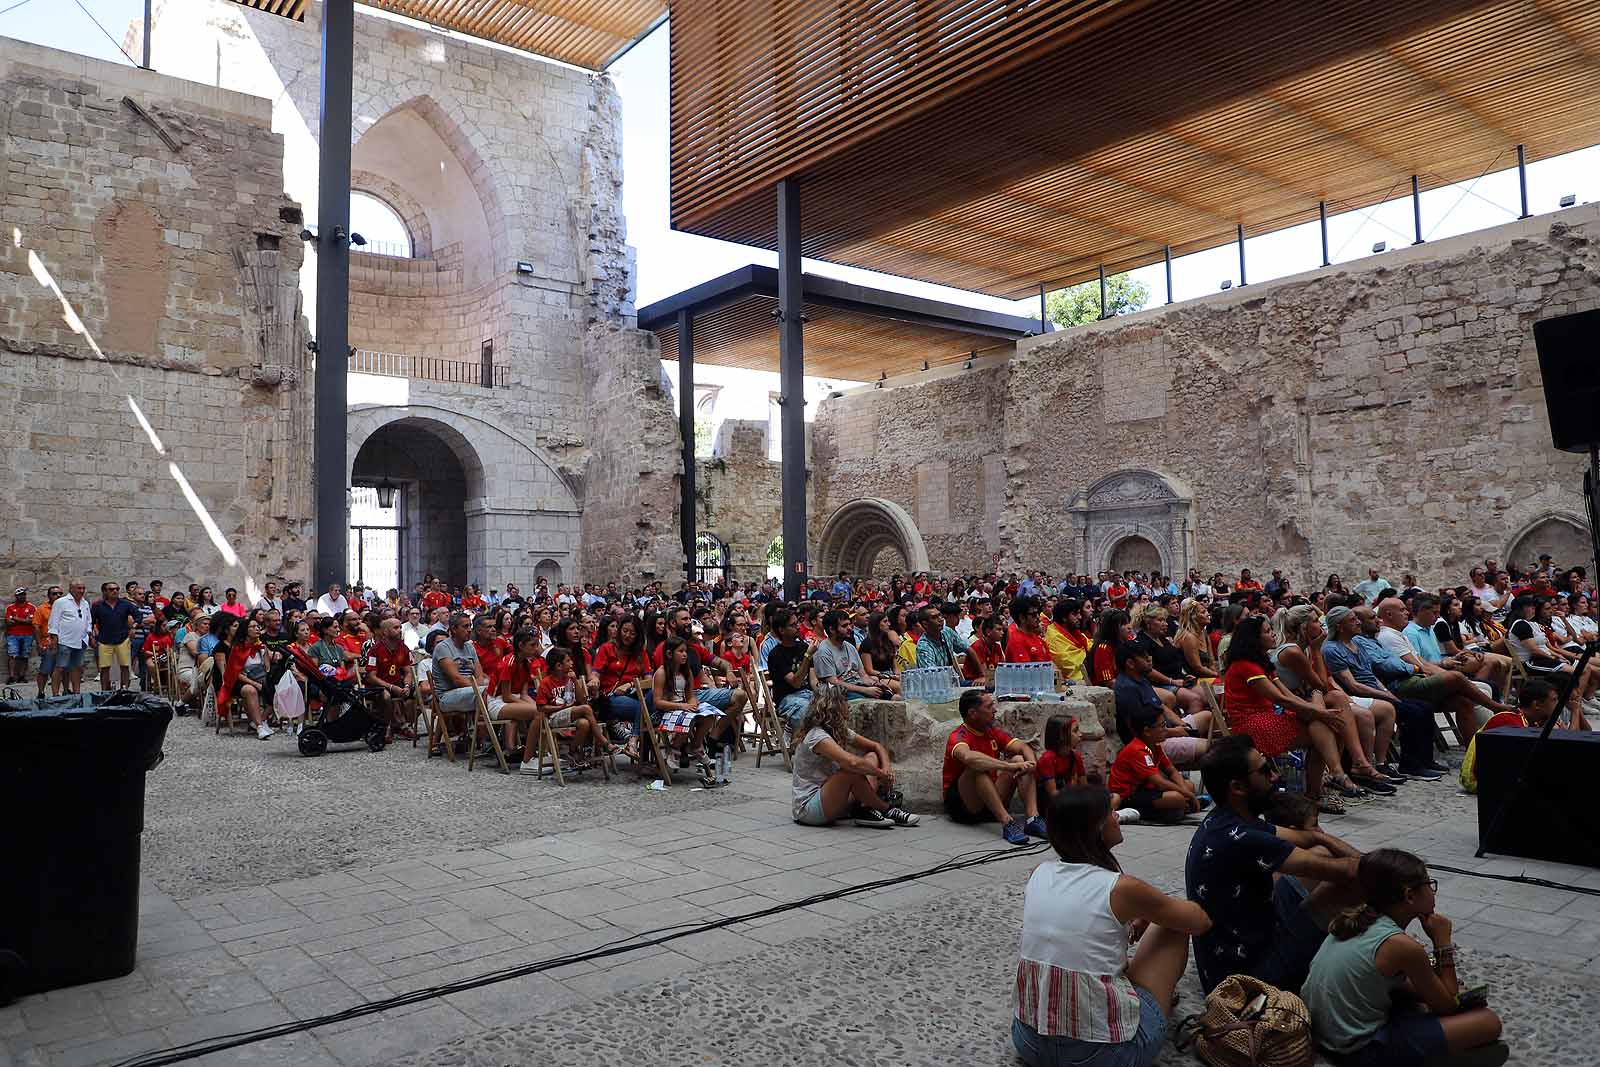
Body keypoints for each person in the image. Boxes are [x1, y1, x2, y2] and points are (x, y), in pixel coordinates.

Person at [1012, 786, 1212, 1067]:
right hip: (1101, 1056)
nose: (1117, 817)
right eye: (1111, 813)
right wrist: (1156, 910)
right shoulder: (1121, 888)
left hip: (1029, 1042)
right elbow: (1199, 922)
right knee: (1174, 925)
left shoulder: (1038, 873)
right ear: (1097, 828)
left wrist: (1144, 911)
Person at [1186, 735, 1364, 994]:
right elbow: (1355, 870)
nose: (1275, 776)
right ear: (1238, 787)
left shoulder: (1225, 819)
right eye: (1264, 770)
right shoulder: (1244, 837)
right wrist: (1404, 876)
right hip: (1250, 977)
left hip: (1247, 941)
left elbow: (1307, 839)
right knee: (1353, 883)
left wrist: (1320, 837)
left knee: (1319, 853)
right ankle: (1383, 958)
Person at [1302, 849, 1506, 1067]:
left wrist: (1432, 971)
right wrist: (1442, 942)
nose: (1433, 892)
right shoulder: (1401, 945)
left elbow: (1408, 977)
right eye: (1429, 885)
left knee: (1418, 995)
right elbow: (1448, 1004)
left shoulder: (1356, 920)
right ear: (1409, 896)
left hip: (1324, 1037)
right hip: (1357, 1049)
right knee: (1488, 1022)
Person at [1222, 612, 1355, 813]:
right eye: (1267, 631)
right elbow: (1280, 699)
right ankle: (1323, 785)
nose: (1273, 634)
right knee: (1321, 728)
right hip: (1252, 724)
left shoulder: (1261, 663)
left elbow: (1288, 696)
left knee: (1325, 726)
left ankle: (1328, 781)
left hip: (1267, 717)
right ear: (1254, 639)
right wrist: (1319, 712)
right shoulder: (1245, 665)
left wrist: (1317, 712)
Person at [790, 683, 919, 828]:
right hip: (809, 809)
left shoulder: (839, 730)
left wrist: (887, 767)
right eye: (845, 701)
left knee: (872, 757)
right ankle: (888, 810)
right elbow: (851, 763)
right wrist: (880, 774)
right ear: (834, 706)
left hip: (834, 797)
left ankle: (864, 809)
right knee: (850, 770)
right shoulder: (817, 736)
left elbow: (876, 746)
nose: (848, 705)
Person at [431, 612, 543, 760]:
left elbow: (479, 674)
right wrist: (484, 685)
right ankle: (488, 738)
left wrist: (485, 683)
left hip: (472, 691)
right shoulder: (443, 648)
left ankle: (506, 745)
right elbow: (457, 679)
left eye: (470, 626)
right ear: (453, 629)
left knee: (498, 692)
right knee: (490, 692)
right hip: (448, 695)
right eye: (465, 626)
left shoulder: (469, 647)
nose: (469, 630)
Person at [941, 689, 1043, 845]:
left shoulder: (991, 732)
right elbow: (969, 757)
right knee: (977, 768)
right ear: (973, 713)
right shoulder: (958, 736)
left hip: (989, 802)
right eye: (989, 707)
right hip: (964, 807)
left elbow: (1022, 747)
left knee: (1019, 758)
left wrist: (1032, 765)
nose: (994, 710)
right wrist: (1009, 766)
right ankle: (1007, 822)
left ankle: (1032, 819)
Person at [1107, 705, 1200, 821]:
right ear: (1147, 731)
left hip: (1147, 790)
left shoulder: (1155, 745)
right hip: (1128, 797)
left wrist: (1185, 791)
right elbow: (1159, 782)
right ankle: (1170, 810)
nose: (1166, 730)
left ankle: (1179, 809)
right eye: (1162, 726)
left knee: (1189, 786)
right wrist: (1189, 795)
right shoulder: (1137, 750)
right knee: (1178, 798)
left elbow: (1171, 771)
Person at [813, 609, 893, 699]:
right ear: (831, 629)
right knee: (870, 701)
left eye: (849, 624)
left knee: (889, 696)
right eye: (844, 626)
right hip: (837, 693)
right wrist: (865, 690)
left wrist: (875, 684)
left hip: (856, 686)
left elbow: (863, 675)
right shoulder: (823, 651)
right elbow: (833, 682)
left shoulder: (849, 647)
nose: (850, 628)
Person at [365, 616, 415, 738]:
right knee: (386, 696)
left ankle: (404, 725)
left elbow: (408, 672)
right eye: (396, 628)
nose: (400, 630)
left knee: (416, 693)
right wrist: (392, 687)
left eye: (400, 627)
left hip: (397, 683)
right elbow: (371, 677)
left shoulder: (403, 648)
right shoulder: (374, 650)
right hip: (377, 686)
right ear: (386, 632)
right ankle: (386, 726)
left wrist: (407, 686)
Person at [1036, 714, 1092, 801]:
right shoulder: (1047, 759)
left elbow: (1085, 787)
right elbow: (1053, 794)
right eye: (1075, 731)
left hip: (1067, 797)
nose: (1080, 734)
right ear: (1061, 736)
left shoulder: (1075, 757)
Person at [1044, 598, 1090, 682]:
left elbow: (1090, 645)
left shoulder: (1076, 632)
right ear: (1064, 618)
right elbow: (1067, 664)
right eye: (1075, 614)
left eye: (1079, 613)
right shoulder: (1054, 637)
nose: (1080, 617)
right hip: (1072, 683)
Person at [1005, 595, 1052, 663]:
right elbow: (1025, 668)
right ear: (1022, 618)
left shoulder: (1038, 638)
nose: (1038, 617)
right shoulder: (1017, 641)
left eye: (1038, 613)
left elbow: (1050, 663)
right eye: (1034, 614)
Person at [5, 588, 34, 686]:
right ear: (16, 596)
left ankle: (22, 676)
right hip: (13, 635)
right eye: (20, 595)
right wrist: (24, 620)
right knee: (12, 655)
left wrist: (15, 618)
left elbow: (31, 621)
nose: (22, 596)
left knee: (25, 655)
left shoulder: (31, 607)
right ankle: (12, 676)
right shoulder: (10, 607)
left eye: (24, 594)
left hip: (28, 634)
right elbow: (8, 622)